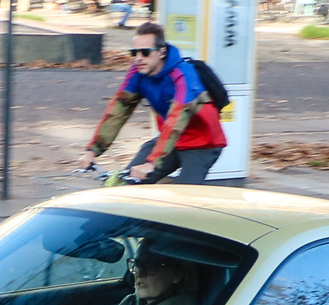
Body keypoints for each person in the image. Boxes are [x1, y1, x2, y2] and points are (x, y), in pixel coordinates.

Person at [84, 20, 226, 185]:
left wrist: (152, 163)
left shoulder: (184, 75)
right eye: (134, 52)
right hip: (170, 140)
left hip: (202, 143)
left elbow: (176, 120)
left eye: (145, 52)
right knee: (124, 183)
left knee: (185, 198)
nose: (138, 58)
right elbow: (118, 111)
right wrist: (93, 151)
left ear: (161, 52)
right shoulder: (137, 73)